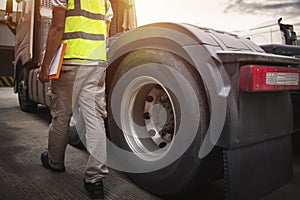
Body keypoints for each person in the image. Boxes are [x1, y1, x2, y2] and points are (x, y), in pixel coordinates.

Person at [38, 0, 113, 199]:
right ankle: (95, 180)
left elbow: (57, 28)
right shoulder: (104, 1)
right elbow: (105, 32)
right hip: (95, 64)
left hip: (69, 63)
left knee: (61, 115)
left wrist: (45, 66)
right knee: (95, 119)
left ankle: (55, 162)